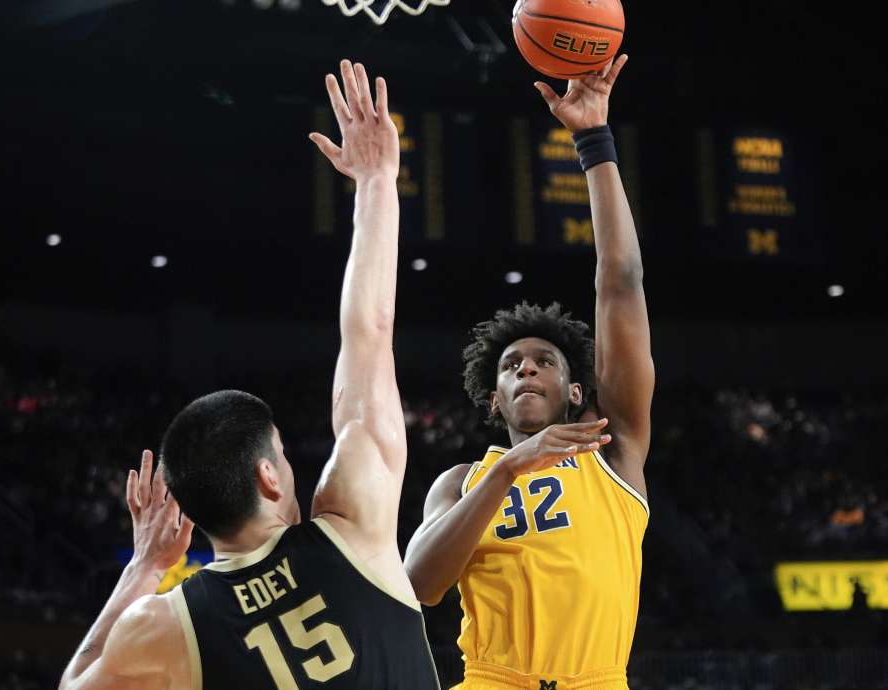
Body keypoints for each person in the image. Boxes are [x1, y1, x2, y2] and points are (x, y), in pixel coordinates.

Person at [58, 59, 440, 690]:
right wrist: (376, 181)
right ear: (267, 476)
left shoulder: (164, 626)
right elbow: (370, 332)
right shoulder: (353, 526)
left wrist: (147, 565)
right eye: (283, 455)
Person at [405, 55, 653, 690]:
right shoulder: (463, 481)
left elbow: (620, 283)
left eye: (544, 361)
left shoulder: (614, 453)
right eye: (512, 366)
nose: (526, 370)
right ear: (496, 401)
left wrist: (593, 139)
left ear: (575, 390)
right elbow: (420, 584)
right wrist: (511, 467)